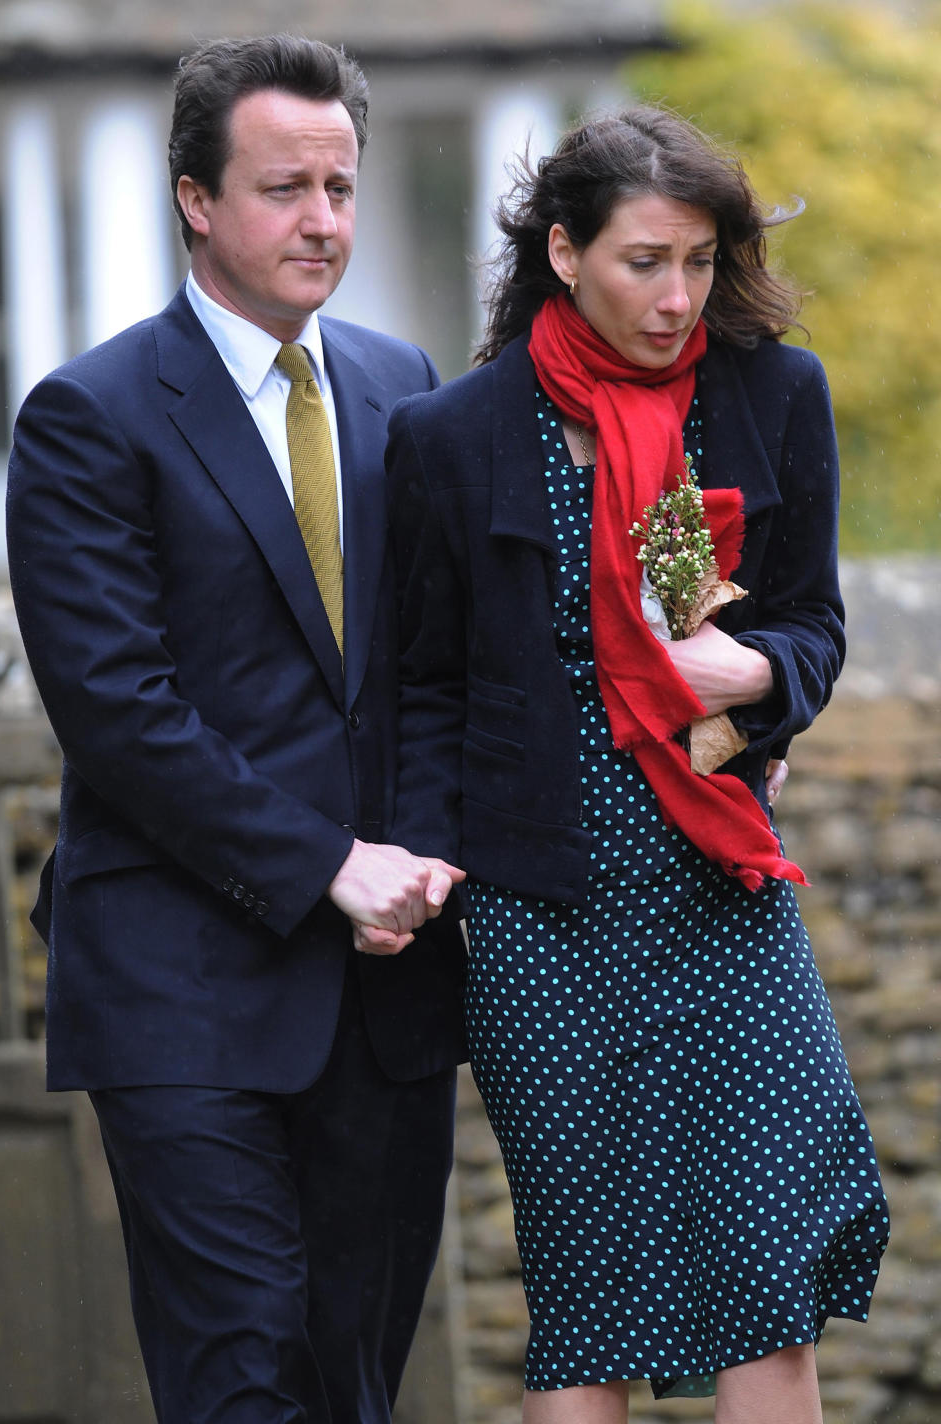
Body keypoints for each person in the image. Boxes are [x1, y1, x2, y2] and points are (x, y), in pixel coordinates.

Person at [384, 107, 889, 1423]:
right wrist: (433, 870)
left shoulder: (774, 394)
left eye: (704, 263)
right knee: (593, 1298)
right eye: (645, 263)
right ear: (563, 251)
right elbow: (424, 686)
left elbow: (812, 627)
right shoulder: (451, 436)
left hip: (722, 879)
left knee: (768, 1277)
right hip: (537, 911)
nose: (680, 298)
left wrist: (761, 674)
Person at [6, 34, 466, 1424]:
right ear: (197, 200)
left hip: (384, 996)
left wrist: (427, 861)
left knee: (352, 1384)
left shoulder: (403, 383)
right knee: (241, 1374)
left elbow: (438, 669)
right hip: (180, 986)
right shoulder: (88, 417)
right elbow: (118, 710)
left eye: (340, 184)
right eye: (284, 187)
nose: (323, 218)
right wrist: (332, 861)